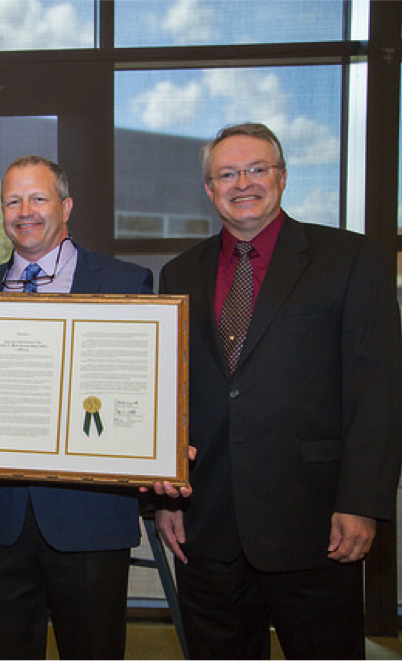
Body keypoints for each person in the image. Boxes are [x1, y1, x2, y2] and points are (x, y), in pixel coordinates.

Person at [155, 123, 402, 660]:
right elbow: (167, 395)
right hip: (207, 523)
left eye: (256, 169)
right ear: (209, 190)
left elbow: (376, 389)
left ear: (283, 177)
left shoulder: (351, 259)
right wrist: (163, 498)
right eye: (227, 173)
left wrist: (362, 501)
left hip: (315, 525)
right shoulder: (178, 272)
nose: (242, 182)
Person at [0, 155, 155, 660]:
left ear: (67, 205)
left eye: (38, 198)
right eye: (13, 201)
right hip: (0, 521)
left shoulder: (126, 281)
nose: (25, 211)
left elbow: (144, 388)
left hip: (90, 516)